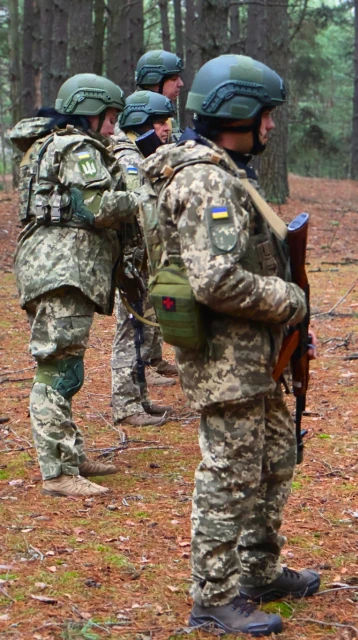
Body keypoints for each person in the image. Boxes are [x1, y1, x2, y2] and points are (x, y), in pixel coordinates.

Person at [141, 54, 319, 636]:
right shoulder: (206, 180)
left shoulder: (229, 172)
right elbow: (214, 280)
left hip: (256, 353)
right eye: (266, 115)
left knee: (274, 460)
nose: (271, 126)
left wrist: (291, 326)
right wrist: (289, 302)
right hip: (226, 360)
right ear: (239, 112)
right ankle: (213, 598)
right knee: (231, 474)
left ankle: (258, 573)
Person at [11, 74, 141, 497]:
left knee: (68, 364)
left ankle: (69, 453)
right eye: (110, 117)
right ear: (90, 110)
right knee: (55, 367)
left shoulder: (51, 144)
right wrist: (147, 196)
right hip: (61, 269)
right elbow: (100, 206)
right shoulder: (76, 146)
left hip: (57, 267)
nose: (113, 126)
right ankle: (57, 473)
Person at [110, 91, 180, 427]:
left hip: (142, 256)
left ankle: (139, 399)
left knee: (139, 327)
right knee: (129, 327)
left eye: (167, 120)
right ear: (140, 122)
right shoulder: (127, 157)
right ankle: (125, 405)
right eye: (159, 121)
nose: (167, 127)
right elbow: (140, 207)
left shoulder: (142, 152)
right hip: (130, 258)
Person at [135, 50, 185, 141]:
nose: (181, 84)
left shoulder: (164, 116)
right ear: (155, 82)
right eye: (174, 79)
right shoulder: (134, 118)